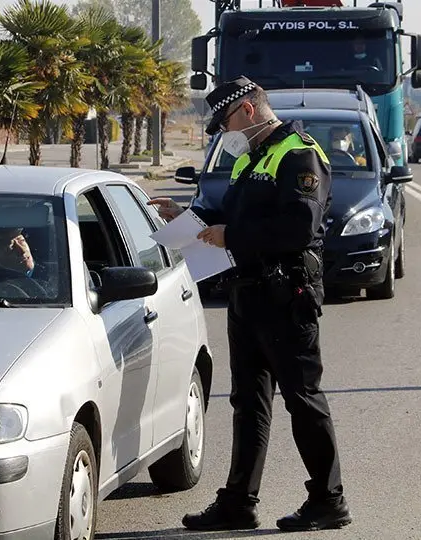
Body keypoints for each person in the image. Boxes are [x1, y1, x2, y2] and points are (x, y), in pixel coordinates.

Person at [148, 76, 351, 532]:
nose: (222, 131)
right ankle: (238, 501)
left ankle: (328, 500)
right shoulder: (253, 157)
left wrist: (231, 235)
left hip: (287, 296)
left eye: (223, 121)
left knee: (303, 399)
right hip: (248, 294)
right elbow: (240, 217)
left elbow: (298, 228)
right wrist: (186, 220)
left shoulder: (299, 154)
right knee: (249, 403)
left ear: (247, 111)